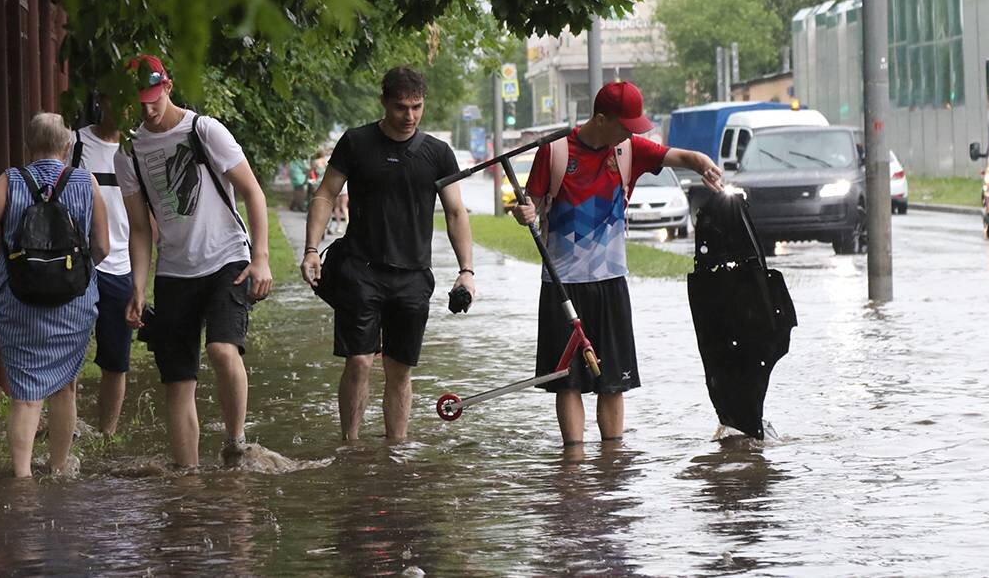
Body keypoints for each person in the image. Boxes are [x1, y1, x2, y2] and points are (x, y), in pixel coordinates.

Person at [510, 81, 723, 446]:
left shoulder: (629, 150)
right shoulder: (556, 150)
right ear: (600, 119)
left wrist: (701, 161)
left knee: (613, 382)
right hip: (562, 285)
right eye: (625, 125)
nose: (630, 133)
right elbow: (529, 203)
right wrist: (523, 211)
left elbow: (681, 157)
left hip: (611, 282)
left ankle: (612, 463)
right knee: (568, 381)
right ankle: (573, 464)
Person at [301, 66, 475, 442]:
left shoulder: (438, 154)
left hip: (413, 275)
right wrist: (312, 248)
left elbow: (456, 212)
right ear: (383, 102)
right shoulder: (356, 142)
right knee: (360, 361)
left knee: (399, 370)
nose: (409, 116)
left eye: (416, 107)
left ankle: (395, 451)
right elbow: (326, 193)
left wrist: (467, 271)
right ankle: (351, 446)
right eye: (400, 107)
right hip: (360, 269)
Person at [114, 55, 273, 467]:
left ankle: (236, 443)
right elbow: (140, 229)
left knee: (222, 350)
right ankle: (186, 479)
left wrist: (262, 258)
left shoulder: (204, 130)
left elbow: (253, 192)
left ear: (167, 86)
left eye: (153, 98)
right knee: (177, 380)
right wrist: (137, 286)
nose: (148, 109)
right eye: (140, 102)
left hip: (227, 260)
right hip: (174, 273)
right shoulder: (129, 152)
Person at [0, 112, 110, 477]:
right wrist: (70, 277)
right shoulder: (86, 182)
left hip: (17, 301)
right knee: (65, 386)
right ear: (67, 147)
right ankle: (59, 468)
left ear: (28, 147)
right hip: (73, 305)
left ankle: (22, 478)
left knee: (26, 392)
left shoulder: (11, 180)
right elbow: (102, 248)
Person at [72, 93, 134, 435]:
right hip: (77, 264)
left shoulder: (137, 150)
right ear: (103, 102)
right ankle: (69, 426)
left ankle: (106, 434)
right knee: (70, 353)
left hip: (121, 266)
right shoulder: (75, 144)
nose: (123, 109)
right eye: (118, 100)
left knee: (116, 360)